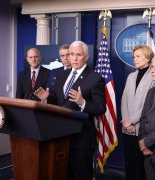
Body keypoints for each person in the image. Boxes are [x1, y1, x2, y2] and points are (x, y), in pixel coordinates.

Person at [34, 40, 106, 180]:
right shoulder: (62, 75)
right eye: (71, 54)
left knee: (81, 175)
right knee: (62, 174)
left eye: (78, 55)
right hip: (61, 136)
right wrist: (47, 98)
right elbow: (60, 102)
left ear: (86, 57)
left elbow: (100, 108)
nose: (73, 58)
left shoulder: (95, 78)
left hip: (81, 139)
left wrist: (82, 102)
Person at [121, 45, 155, 180]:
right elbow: (124, 99)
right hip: (127, 129)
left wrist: (132, 120)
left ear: (148, 57)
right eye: (134, 56)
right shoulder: (131, 76)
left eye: (138, 56)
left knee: (141, 167)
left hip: (143, 130)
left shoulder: (154, 76)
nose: (134, 59)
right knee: (130, 165)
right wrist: (125, 120)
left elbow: (150, 104)